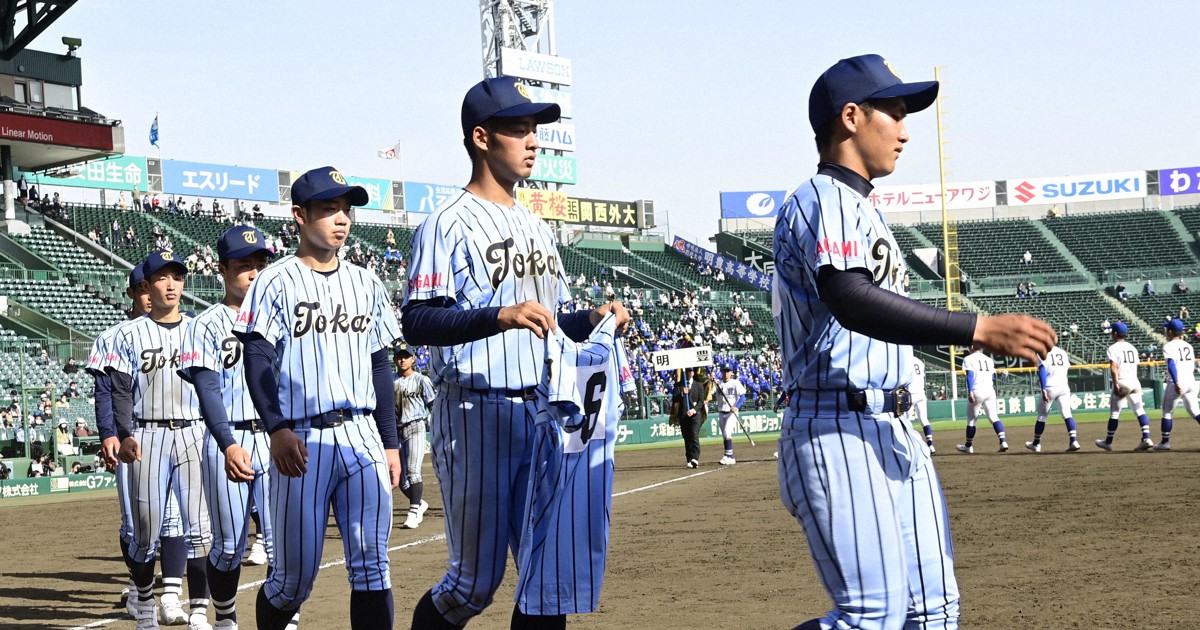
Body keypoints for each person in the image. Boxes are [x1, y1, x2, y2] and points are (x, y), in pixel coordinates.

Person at [772, 54, 1055, 630]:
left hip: (893, 426)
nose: (905, 130)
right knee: (870, 617)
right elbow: (849, 297)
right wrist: (976, 327)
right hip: (836, 429)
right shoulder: (821, 199)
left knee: (933, 612)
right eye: (895, 112)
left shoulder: (861, 208)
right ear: (851, 117)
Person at [402, 76, 628, 629]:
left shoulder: (537, 226)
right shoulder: (446, 222)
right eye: (519, 129)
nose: (533, 141)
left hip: (542, 412)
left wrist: (593, 318)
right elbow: (417, 320)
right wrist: (496, 315)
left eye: (535, 129)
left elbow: (550, 321)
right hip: (476, 414)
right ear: (481, 137)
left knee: (547, 580)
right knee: (472, 586)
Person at [233, 167, 401, 630]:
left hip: (363, 433)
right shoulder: (276, 281)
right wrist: (277, 428)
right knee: (293, 581)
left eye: (346, 209)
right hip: (301, 439)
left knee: (372, 567)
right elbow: (258, 356)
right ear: (299, 216)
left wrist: (390, 441)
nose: (341, 219)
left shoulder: (367, 282)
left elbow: (380, 364)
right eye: (329, 209)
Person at [179, 225, 285, 630]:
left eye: (260, 263)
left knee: (282, 545)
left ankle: (284, 622)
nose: (255, 272)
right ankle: (224, 617)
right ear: (222, 270)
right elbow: (208, 390)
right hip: (231, 439)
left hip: (277, 437)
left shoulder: (281, 319)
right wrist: (227, 444)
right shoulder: (205, 324)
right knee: (228, 547)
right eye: (244, 266)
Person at [110, 251, 212, 629]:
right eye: (163, 278)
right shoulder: (128, 333)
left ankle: (199, 611)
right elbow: (119, 389)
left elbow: (212, 386)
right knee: (144, 531)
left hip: (193, 430)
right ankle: (145, 603)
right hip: (147, 433)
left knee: (200, 530)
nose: (171, 285)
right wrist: (123, 434)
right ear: (148, 286)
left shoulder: (200, 330)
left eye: (178, 277)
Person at [392, 344, 434, 529]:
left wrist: (436, 427)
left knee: (413, 471)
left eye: (406, 356)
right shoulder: (391, 381)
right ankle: (419, 503)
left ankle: (413, 511)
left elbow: (432, 404)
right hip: (396, 430)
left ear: (413, 359)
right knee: (400, 478)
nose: (402, 359)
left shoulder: (421, 380)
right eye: (400, 356)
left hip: (416, 426)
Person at [1095, 322, 1154, 451]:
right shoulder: (1132, 348)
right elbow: (1136, 365)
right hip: (1134, 382)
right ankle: (1146, 438)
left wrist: (1116, 383)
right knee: (1139, 410)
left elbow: (1114, 367)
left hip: (1122, 382)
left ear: (1115, 333)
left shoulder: (1113, 348)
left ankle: (1108, 442)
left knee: (1115, 413)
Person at [1154, 318, 1200, 450]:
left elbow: (1171, 364)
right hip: (1191, 382)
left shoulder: (1169, 346)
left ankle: (1165, 442)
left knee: (1167, 413)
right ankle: (1164, 442)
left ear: (1170, 331)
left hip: (1178, 382)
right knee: (1196, 412)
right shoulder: (1188, 345)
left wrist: (1176, 381)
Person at [1025, 345, 1080, 452]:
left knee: (1042, 416)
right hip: (1063, 387)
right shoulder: (1062, 352)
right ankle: (1074, 440)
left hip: (1050, 387)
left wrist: (1044, 389)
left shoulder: (1042, 351)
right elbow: (1066, 368)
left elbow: (1042, 370)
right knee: (1067, 414)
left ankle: (1036, 444)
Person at [956, 346, 1008, 453]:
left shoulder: (968, 359)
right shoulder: (988, 359)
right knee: (994, 417)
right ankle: (1003, 441)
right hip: (989, 391)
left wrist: (970, 391)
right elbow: (992, 376)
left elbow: (970, 375)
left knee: (971, 419)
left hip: (977, 390)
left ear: (971, 347)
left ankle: (968, 446)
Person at [714, 366, 746, 465]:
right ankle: (730, 456)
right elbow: (709, 389)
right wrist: (712, 380)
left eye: (728, 371)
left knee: (727, 432)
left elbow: (742, 395)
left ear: (731, 372)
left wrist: (737, 406)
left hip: (731, 412)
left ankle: (727, 456)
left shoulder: (735, 382)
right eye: (724, 371)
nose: (726, 373)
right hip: (721, 411)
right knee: (724, 435)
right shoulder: (718, 383)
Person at [907, 356, 934, 452]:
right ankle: (930, 445)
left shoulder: (904, 360)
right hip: (921, 393)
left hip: (909, 394)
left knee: (907, 422)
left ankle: (910, 445)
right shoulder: (919, 362)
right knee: (924, 420)